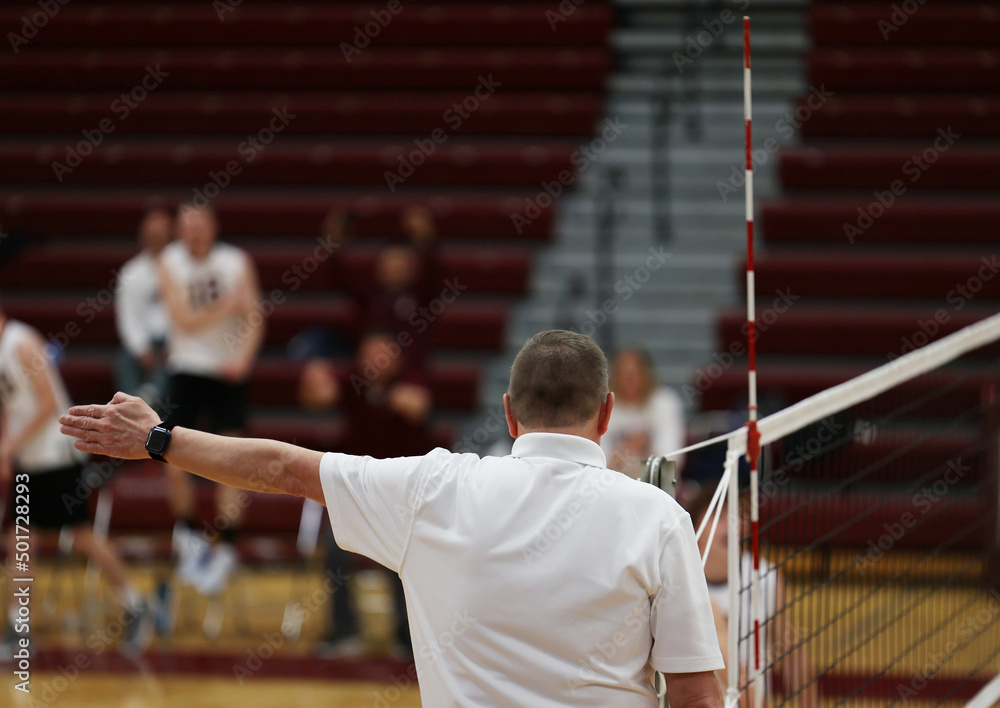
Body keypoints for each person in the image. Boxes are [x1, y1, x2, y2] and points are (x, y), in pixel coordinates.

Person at [60, 330, 725, 708]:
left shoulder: (435, 487)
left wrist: (160, 439)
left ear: (508, 412)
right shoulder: (660, 518)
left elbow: (284, 468)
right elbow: (697, 695)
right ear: (606, 414)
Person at [0, 310, 149, 655]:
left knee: (81, 536)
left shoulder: (22, 342)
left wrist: (10, 446)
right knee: (21, 539)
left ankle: (136, 604)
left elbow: (49, 403)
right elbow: (7, 407)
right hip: (29, 460)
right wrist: (8, 450)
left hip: (56, 455)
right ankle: (19, 626)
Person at [301, 330, 434, 658]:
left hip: (400, 495)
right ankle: (344, 632)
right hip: (355, 492)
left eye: (382, 354)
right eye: (369, 354)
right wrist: (313, 377)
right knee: (334, 551)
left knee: (402, 558)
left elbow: (419, 405)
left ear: (397, 358)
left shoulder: (411, 380)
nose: (375, 360)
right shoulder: (353, 381)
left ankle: (407, 637)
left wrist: (398, 398)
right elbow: (318, 396)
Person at [156, 202, 263, 596]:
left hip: (227, 373)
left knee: (233, 460)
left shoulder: (236, 261)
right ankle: (188, 535)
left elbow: (254, 315)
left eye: (200, 224)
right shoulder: (170, 261)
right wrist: (226, 305)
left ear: (214, 227)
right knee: (169, 453)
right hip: (186, 369)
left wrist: (244, 360)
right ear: (179, 231)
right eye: (187, 226)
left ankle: (227, 545)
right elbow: (183, 320)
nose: (195, 232)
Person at [686, 484, 818, 708]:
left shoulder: (765, 577)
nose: (733, 525)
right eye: (720, 518)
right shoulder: (682, 581)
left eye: (737, 517)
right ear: (696, 530)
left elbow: (791, 655)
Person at [114, 209, 173, 406]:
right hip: (145, 340)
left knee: (179, 359)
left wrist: (174, 343)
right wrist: (141, 349)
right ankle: (130, 404)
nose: (157, 239)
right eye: (152, 234)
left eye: (161, 234)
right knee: (124, 361)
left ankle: (149, 396)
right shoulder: (132, 271)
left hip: (174, 340)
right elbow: (127, 316)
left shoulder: (181, 266)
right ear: (144, 236)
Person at [602, 348, 686, 477]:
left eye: (634, 375)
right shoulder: (603, 405)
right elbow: (598, 459)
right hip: (612, 481)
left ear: (646, 374)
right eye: (624, 375)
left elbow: (673, 459)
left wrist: (643, 450)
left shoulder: (665, 402)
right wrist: (629, 447)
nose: (629, 381)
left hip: (657, 483)